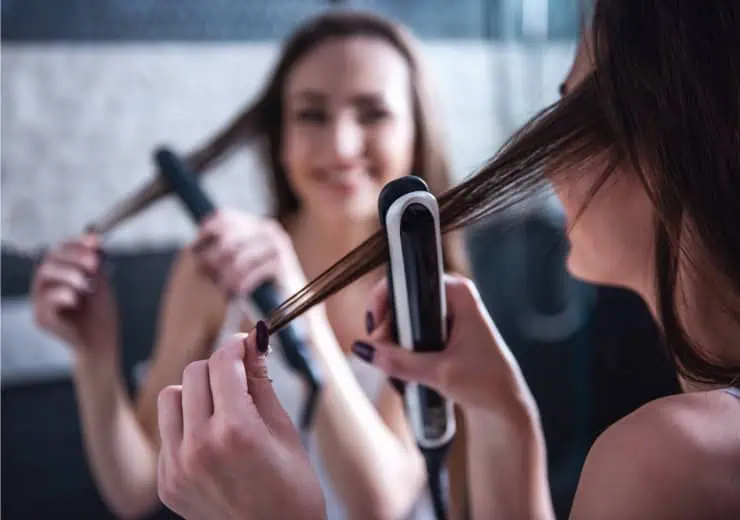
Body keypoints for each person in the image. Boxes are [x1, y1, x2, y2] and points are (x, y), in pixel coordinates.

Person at [155, 1, 740, 519]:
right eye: (311, 114)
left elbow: (381, 500)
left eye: (572, 117)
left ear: (675, 140)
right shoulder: (684, 450)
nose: (547, 160)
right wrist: (506, 412)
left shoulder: (668, 463)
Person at [31, 10, 471, 520]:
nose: (341, 146)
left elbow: (381, 503)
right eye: (311, 115)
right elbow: (137, 488)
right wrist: (94, 356)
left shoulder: (426, 288)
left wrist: (301, 308)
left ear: (417, 133)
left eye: (373, 114)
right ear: (280, 138)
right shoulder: (213, 271)